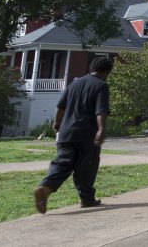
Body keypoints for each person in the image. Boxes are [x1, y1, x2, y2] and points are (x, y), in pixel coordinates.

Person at [33, 56, 113, 213]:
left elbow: (60, 106)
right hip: (85, 133)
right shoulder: (101, 86)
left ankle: (45, 188)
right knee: (87, 166)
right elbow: (101, 110)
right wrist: (101, 129)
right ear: (107, 72)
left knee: (63, 163)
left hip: (66, 132)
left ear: (91, 68)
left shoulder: (74, 83)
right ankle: (86, 199)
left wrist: (57, 123)